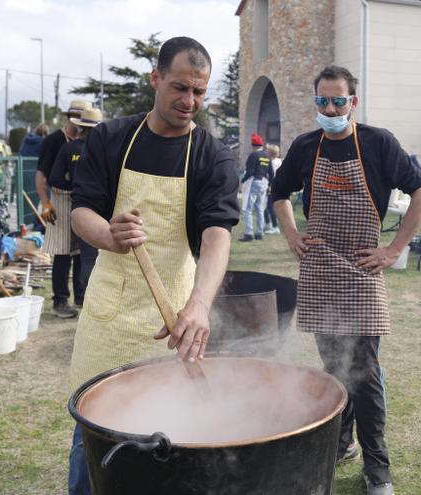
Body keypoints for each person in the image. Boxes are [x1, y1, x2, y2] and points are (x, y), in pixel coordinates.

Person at [68, 36, 239, 495]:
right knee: (94, 435)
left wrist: (199, 306)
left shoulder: (211, 154)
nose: (189, 102)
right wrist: (108, 235)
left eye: (199, 93)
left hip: (176, 313)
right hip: (109, 312)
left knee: (170, 435)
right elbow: (81, 209)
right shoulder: (110, 137)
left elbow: (216, 233)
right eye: (180, 88)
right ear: (155, 78)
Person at [271, 65, 421, 495]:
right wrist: (291, 235)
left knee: (364, 371)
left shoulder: (378, 143)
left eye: (338, 100)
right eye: (322, 101)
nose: (330, 107)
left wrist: (394, 248)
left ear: (353, 102)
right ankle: (340, 442)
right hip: (320, 269)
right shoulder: (306, 146)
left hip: (362, 272)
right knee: (333, 367)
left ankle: (377, 466)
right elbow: (278, 193)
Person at [47, 107, 105, 317]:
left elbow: (54, 179)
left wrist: (72, 188)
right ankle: (86, 300)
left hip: (73, 205)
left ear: (79, 127)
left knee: (66, 254)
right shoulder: (104, 149)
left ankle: (63, 300)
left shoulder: (69, 149)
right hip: (98, 210)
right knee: (89, 256)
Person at [36, 100, 92, 232]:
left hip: (82, 201)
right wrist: (45, 203)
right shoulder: (53, 140)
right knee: (61, 248)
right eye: (77, 117)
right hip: (59, 200)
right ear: (70, 117)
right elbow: (41, 175)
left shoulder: (89, 142)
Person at [239, 133, 272, 241]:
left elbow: (250, 171)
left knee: (248, 209)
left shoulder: (253, 155)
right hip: (264, 182)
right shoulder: (267, 155)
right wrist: (270, 184)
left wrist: (242, 181)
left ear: (253, 145)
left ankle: (249, 233)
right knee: (259, 209)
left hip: (254, 182)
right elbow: (271, 172)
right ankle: (259, 233)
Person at [263, 143, 282, 235]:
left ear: (270, 153)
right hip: (278, 186)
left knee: (269, 207)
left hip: (271, 186)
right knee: (270, 207)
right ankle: (270, 224)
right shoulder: (279, 161)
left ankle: (274, 226)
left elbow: (270, 175)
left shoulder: (272, 163)